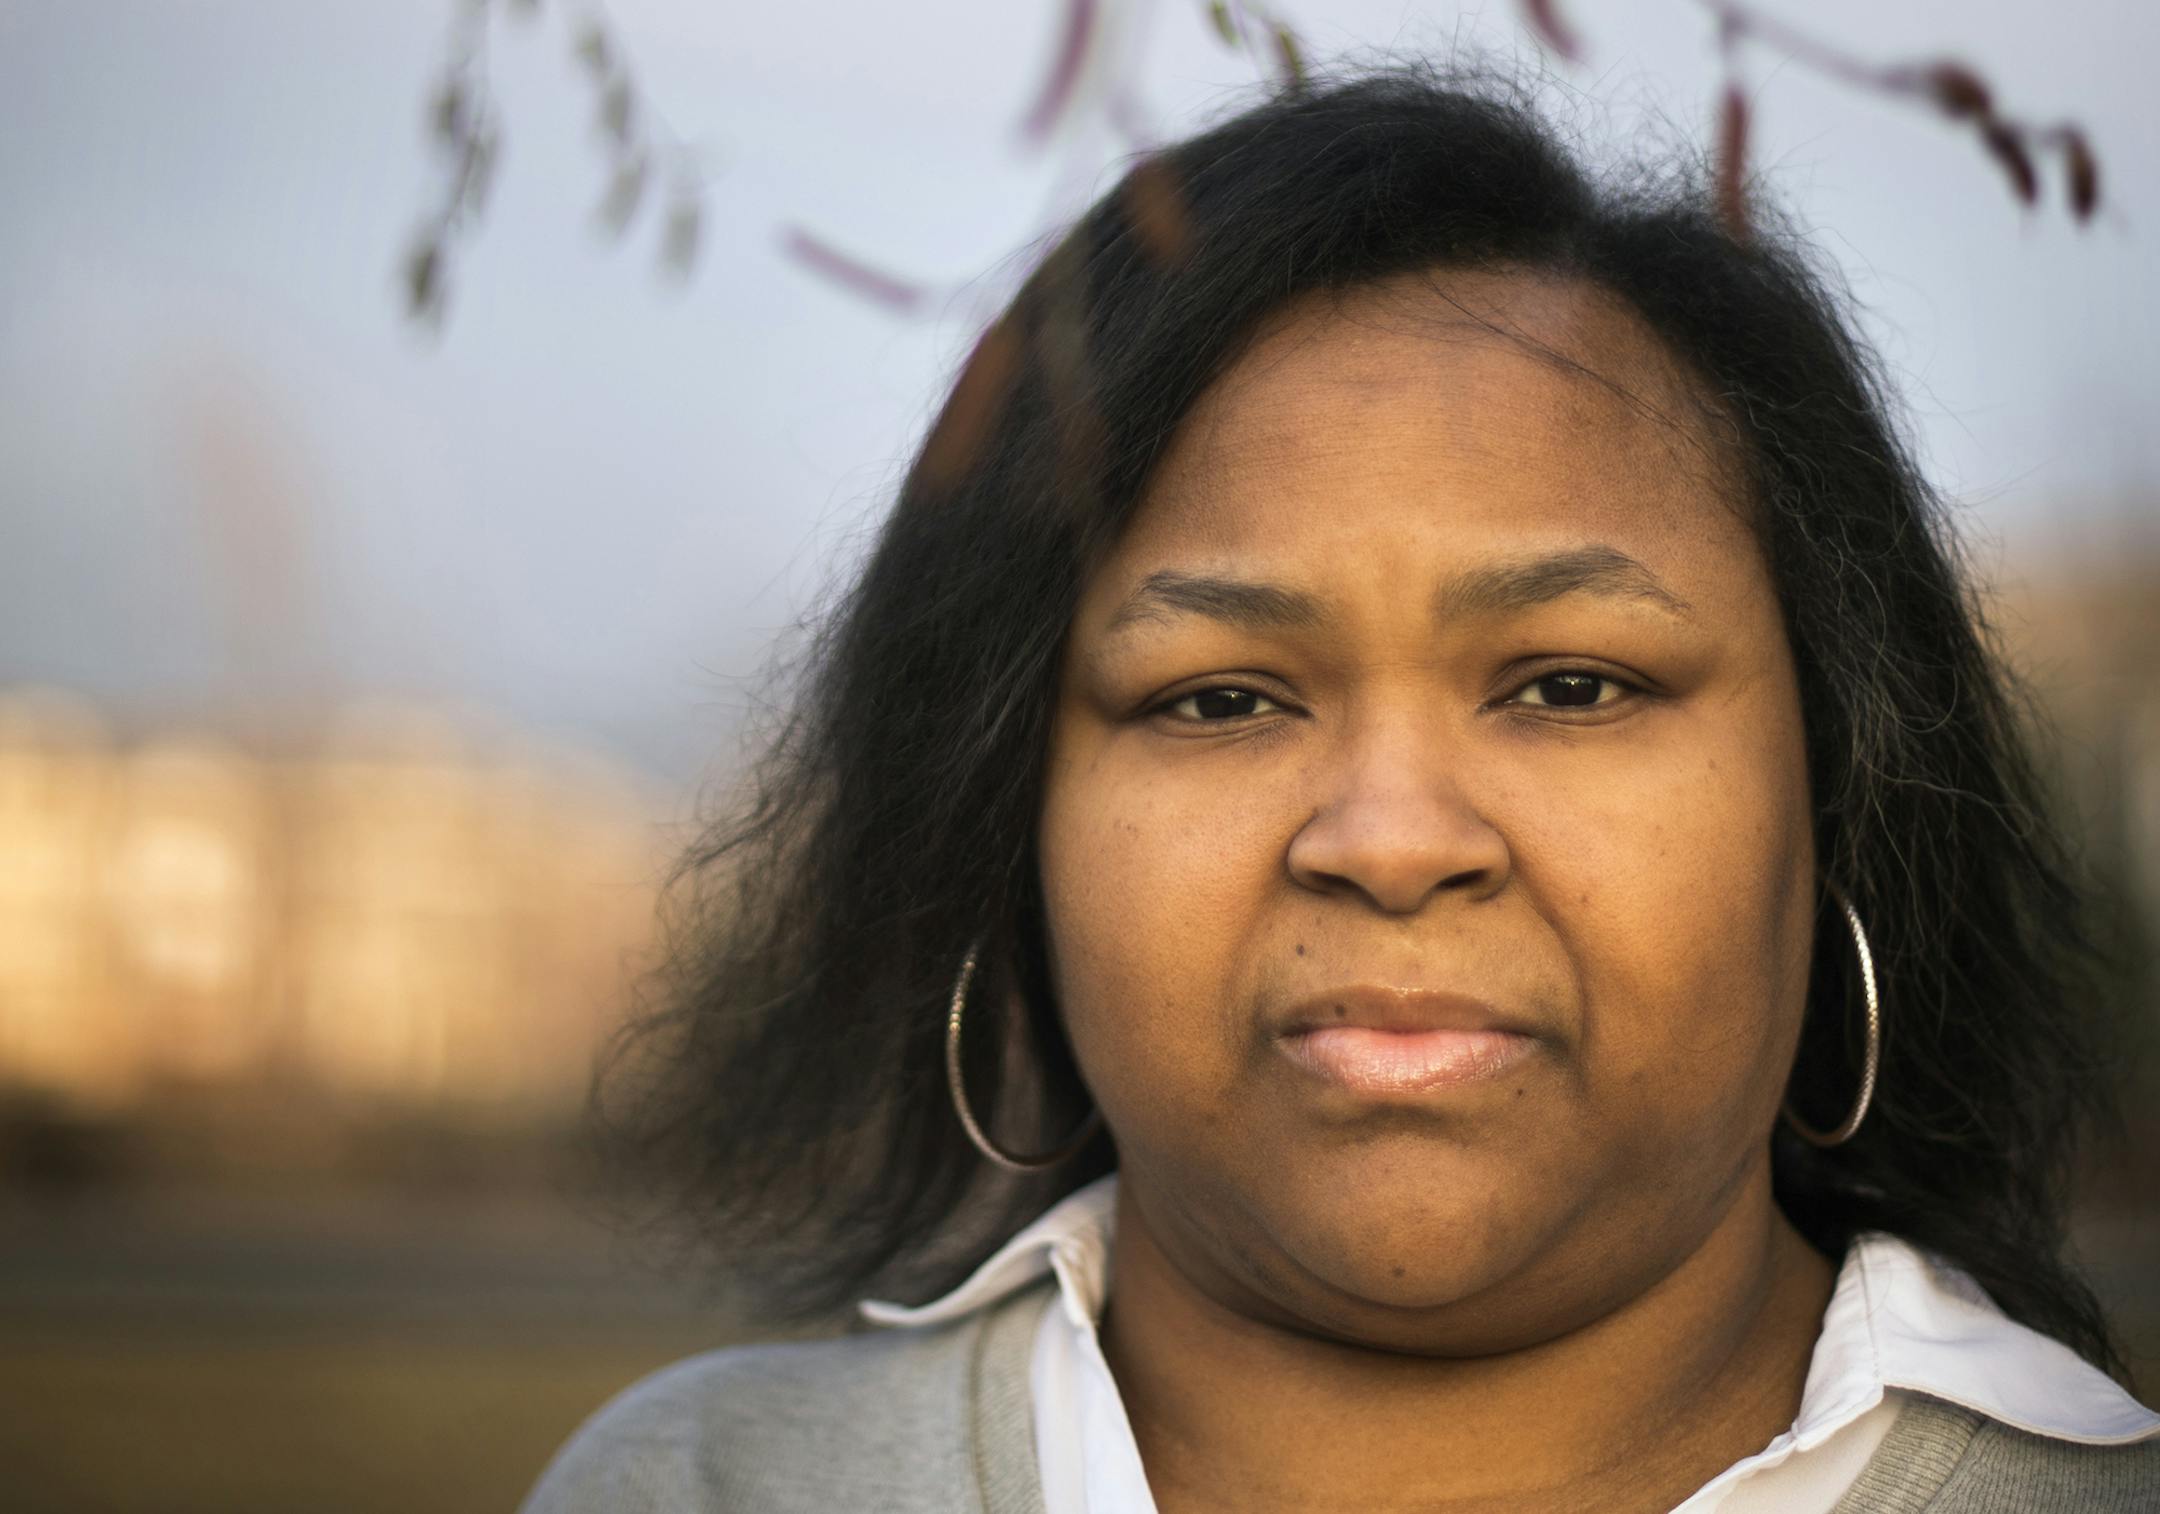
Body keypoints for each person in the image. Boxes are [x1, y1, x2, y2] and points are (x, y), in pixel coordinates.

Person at [523, 63, 2159, 1513]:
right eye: (1220, 697)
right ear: (1002, 827)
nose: (1389, 841)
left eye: (1570, 683)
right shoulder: (708, 1489)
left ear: (1841, 798)